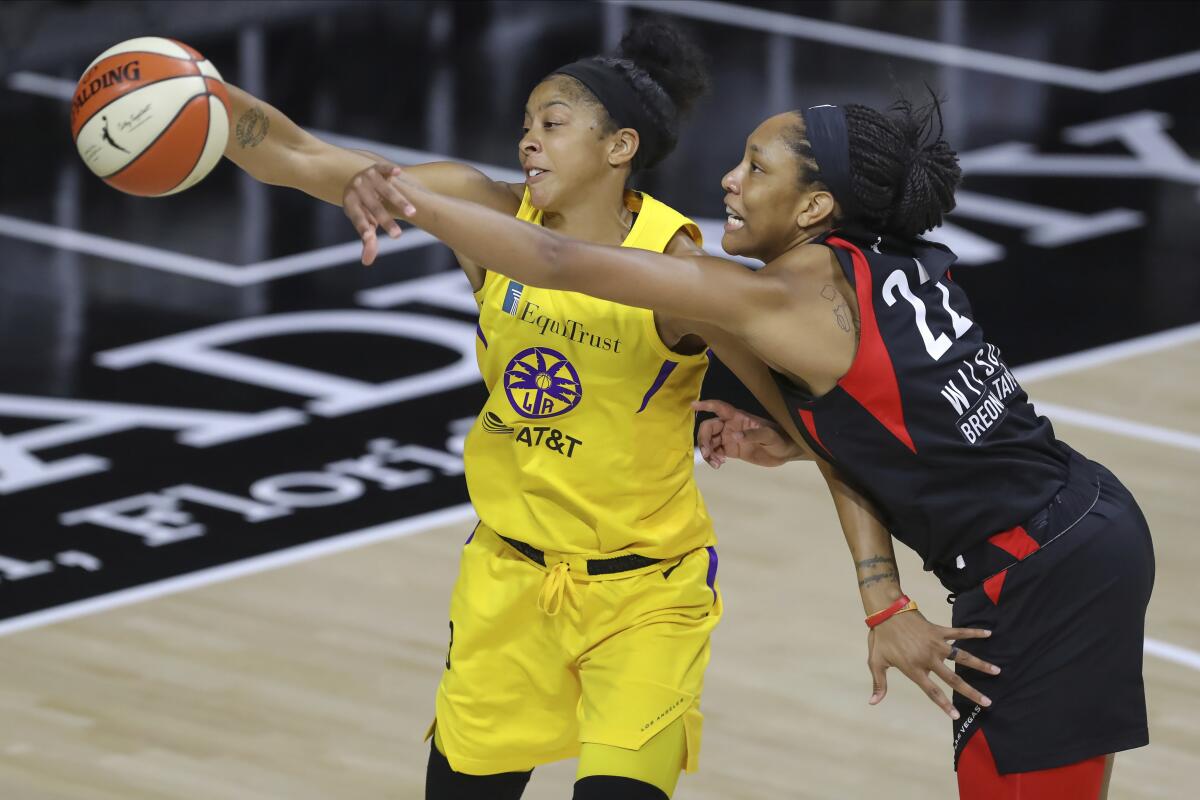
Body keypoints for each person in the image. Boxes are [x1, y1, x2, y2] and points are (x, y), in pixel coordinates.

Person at [354, 97, 1155, 799]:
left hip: (1041, 564)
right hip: (1083, 525)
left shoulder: (777, 294)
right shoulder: (885, 259)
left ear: (813, 208)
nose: (730, 180)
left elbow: (559, 260)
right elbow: (927, 420)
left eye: (755, 167)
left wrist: (405, 199)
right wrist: (801, 440)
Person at [226, 21, 880, 800]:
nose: (527, 143)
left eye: (552, 125)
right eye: (525, 127)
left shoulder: (678, 272)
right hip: (508, 583)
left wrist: (868, 571)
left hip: (645, 597)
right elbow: (303, 156)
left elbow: (820, 418)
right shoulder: (488, 216)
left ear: (619, 147)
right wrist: (195, 90)